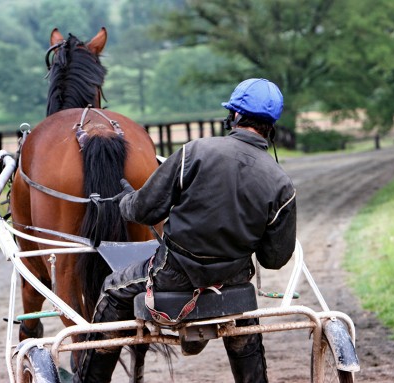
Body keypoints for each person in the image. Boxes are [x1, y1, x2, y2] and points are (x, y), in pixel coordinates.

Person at [74, 78, 297, 383]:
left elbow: (144, 211)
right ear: (271, 126)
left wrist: (126, 199)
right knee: (244, 322)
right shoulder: (281, 183)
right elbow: (274, 258)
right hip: (232, 283)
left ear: (233, 116)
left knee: (113, 287)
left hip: (172, 276)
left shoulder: (194, 153)